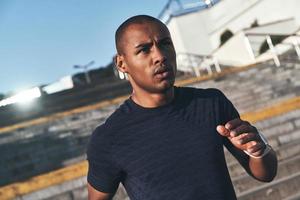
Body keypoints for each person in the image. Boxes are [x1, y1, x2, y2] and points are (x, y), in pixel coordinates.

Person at [86, 15, 277, 200]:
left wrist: (257, 150)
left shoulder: (211, 102)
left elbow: (265, 174)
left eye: (165, 44)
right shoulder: (109, 138)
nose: (160, 56)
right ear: (122, 63)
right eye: (144, 50)